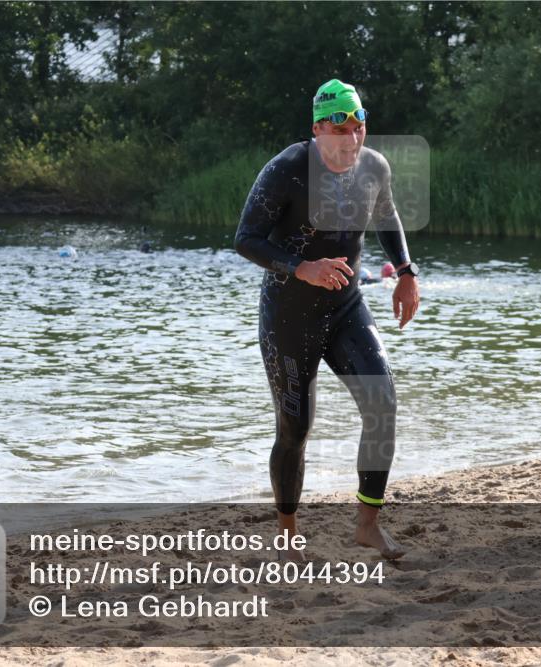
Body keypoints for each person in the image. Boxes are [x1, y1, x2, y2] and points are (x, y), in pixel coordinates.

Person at [235, 78, 420, 560]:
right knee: (295, 429)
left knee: (382, 404)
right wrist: (303, 267)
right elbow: (246, 238)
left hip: (345, 308)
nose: (352, 139)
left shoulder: (374, 167)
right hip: (288, 316)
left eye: (359, 126)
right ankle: (289, 535)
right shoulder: (288, 169)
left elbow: (388, 216)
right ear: (317, 128)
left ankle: (367, 524)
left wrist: (405, 272)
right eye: (340, 128)